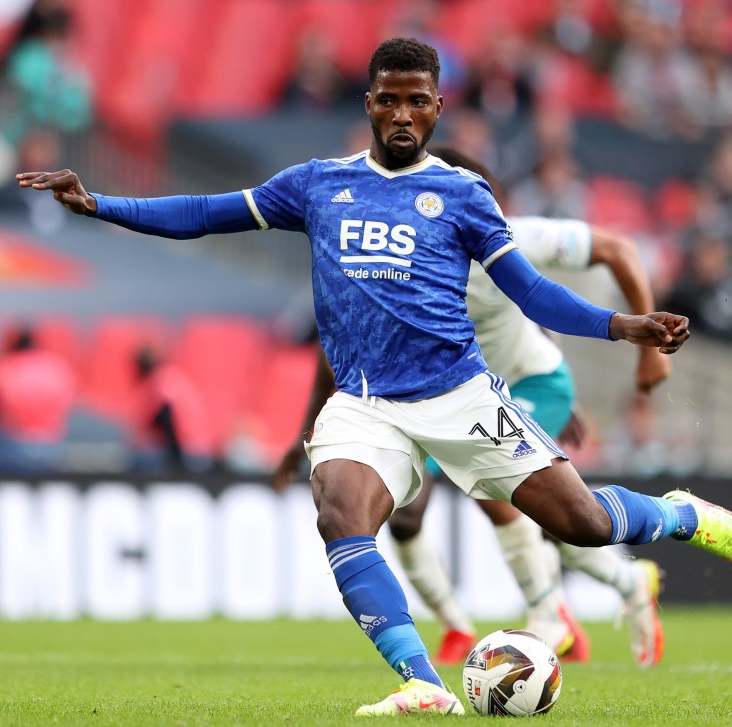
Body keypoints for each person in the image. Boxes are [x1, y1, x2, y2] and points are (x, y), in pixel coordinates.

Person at [19, 37, 732, 717]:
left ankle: (682, 514)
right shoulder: (317, 184)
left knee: (582, 523)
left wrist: (625, 326)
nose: (404, 112)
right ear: (371, 102)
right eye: (391, 98)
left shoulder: (465, 196)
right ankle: (423, 681)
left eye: (419, 99)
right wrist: (99, 204)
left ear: (438, 107)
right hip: (367, 404)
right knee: (341, 508)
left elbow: (532, 293)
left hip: (461, 396)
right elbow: (206, 212)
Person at [274, 144, 672, 670]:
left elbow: (617, 250)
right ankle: (477, 623)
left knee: (502, 493)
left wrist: (646, 353)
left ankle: (549, 616)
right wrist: (304, 436)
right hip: (452, 396)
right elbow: (341, 353)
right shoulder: (397, 255)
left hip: (531, 382)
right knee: (417, 513)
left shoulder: (516, 235)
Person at [0, 324, 75, 473]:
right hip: (51, 448)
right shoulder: (57, 367)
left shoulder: (7, 368)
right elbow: (67, 402)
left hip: (12, 448)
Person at [128, 345, 213, 473]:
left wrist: (175, 458)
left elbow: (168, 415)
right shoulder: (171, 376)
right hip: (197, 450)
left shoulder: (162, 379)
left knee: (138, 461)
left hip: (188, 452)